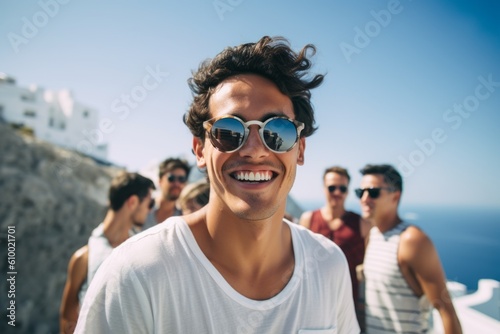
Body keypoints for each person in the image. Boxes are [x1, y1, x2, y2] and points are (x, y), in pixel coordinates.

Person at [75, 36, 360, 333]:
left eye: (277, 130)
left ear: (299, 150)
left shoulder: (328, 265)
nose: (254, 149)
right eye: (229, 130)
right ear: (200, 149)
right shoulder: (136, 272)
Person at [357, 164, 462, 334]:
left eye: (373, 192)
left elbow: (446, 311)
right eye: (360, 192)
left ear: (395, 197)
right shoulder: (373, 235)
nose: (364, 198)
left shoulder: (412, 240)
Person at [59, 172, 155, 334]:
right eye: (150, 203)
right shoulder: (83, 258)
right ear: (132, 202)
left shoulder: (140, 253)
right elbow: (68, 321)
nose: (150, 210)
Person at [299, 166, 371, 323]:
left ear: (348, 191)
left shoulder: (361, 224)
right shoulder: (309, 219)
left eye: (342, 188)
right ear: (324, 188)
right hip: (313, 304)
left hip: (349, 306)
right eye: (332, 188)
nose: (337, 193)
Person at [142, 157, 191, 228]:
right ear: (160, 181)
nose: (177, 184)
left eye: (181, 179)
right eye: (171, 178)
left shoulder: (183, 217)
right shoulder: (143, 209)